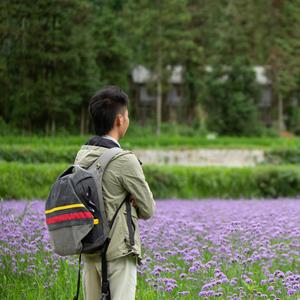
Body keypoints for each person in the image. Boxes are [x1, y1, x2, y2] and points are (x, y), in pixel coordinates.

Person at [74, 85, 156, 300]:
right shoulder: (124, 160)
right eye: (127, 116)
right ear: (119, 120)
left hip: (90, 249)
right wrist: (132, 199)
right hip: (118, 251)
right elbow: (148, 208)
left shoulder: (82, 156)